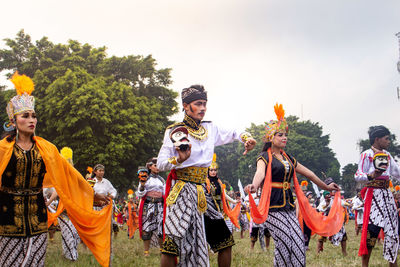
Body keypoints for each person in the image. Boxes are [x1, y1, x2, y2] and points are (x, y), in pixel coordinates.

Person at [0, 72, 111, 267]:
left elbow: (69, 176)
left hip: (37, 217)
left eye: (33, 116)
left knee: (35, 262)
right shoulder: (2, 149)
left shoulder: (46, 148)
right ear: (13, 122)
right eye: (25, 116)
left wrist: (91, 194)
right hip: (7, 216)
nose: (31, 119)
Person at [157, 84, 256, 267]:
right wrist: (179, 159)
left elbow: (234, 132)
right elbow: (160, 164)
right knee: (172, 246)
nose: (203, 108)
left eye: (205, 104)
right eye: (198, 103)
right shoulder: (174, 131)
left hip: (203, 192)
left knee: (225, 241)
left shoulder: (210, 129)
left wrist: (246, 138)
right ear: (186, 106)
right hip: (181, 193)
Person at [245, 104, 341, 267]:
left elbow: (309, 173)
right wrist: (254, 185)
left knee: (297, 245)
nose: (284, 137)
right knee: (284, 244)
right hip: (272, 208)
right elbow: (260, 173)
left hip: (288, 207)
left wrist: (327, 186)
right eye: (280, 135)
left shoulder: (288, 158)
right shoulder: (264, 157)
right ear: (271, 137)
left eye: (285, 135)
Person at [355, 125, 400, 267]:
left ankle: (393, 263)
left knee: (392, 233)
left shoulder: (387, 155)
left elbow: (397, 172)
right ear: (377, 139)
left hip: (387, 196)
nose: (389, 141)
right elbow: (358, 175)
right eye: (386, 139)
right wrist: (371, 175)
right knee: (371, 233)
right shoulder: (366, 155)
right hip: (373, 196)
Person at [204, 155, 240, 266]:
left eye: (215, 170)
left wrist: (234, 202)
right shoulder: (204, 182)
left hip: (219, 211)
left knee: (227, 242)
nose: (213, 172)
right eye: (211, 170)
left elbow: (223, 195)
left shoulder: (219, 182)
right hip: (208, 212)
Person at [137, 159, 165, 256]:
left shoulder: (162, 180)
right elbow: (140, 193)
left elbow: (165, 193)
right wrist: (142, 185)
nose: (157, 167)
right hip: (148, 205)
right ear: (149, 167)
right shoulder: (145, 178)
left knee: (161, 228)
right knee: (147, 228)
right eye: (155, 165)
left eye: (158, 165)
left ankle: (162, 250)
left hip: (160, 206)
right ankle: (146, 252)